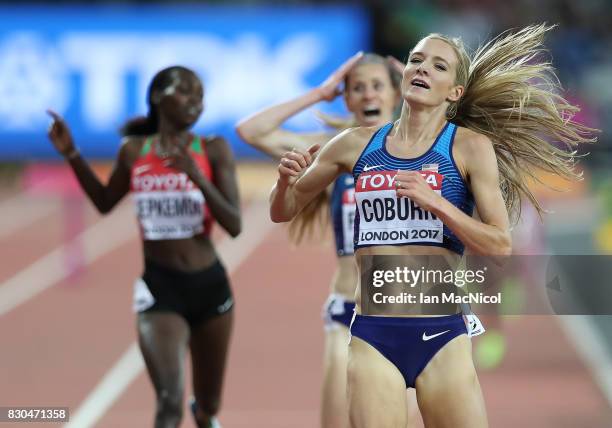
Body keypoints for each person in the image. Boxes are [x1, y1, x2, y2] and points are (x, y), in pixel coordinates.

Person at [269, 24, 596, 428]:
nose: (422, 68)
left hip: (441, 333)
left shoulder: (469, 148)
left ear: (454, 91)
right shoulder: (354, 144)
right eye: (416, 60)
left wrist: (437, 203)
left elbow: (498, 245)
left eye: (438, 65)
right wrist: (284, 182)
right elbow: (283, 211)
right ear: (404, 73)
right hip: (374, 332)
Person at [47, 66, 241, 428]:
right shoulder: (135, 151)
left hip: (211, 289)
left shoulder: (213, 149)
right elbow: (105, 202)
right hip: (159, 290)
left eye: (200, 93)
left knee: (210, 403)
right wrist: (72, 153)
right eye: (184, 90)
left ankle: (204, 413)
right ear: (156, 97)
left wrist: (196, 176)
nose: (195, 99)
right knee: (168, 401)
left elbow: (235, 225)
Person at [237, 52, 422, 428]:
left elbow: (476, 134)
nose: (368, 95)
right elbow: (252, 131)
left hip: (407, 309)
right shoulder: (332, 151)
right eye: (357, 89)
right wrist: (318, 94)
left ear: (394, 94)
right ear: (348, 100)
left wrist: (422, 87)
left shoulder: (424, 146)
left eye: (376, 86)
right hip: (348, 310)